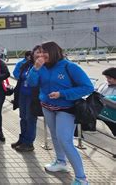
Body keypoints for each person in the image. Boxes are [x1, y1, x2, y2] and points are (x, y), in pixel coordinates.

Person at [27, 41, 93, 185]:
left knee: (65, 140)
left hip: (66, 108)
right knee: (55, 136)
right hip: (47, 106)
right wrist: (35, 69)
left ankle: (81, 178)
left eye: (45, 52)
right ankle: (60, 162)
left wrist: (62, 94)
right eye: (40, 52)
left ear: (55, 52)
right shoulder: (40, 66)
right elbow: (31, 83)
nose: (42, 55)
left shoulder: (69, 67)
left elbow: (87, 87)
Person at [12, 46, 41, 152]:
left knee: (31, 119)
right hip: (23, 94)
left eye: (41, 53)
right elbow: (19, 76)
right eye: (36, 52)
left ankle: (29, 143)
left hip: (33, 96)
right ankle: (22, 139)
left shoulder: (43, 66)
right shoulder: (27, 64)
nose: (38, 55)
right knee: (23, 117)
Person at [97, 67, 116, 136]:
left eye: (109, 78)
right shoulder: (104, 84)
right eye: (106, 78)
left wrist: (103, 99)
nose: (108, 80)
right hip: (100, 111)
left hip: (112, 116)